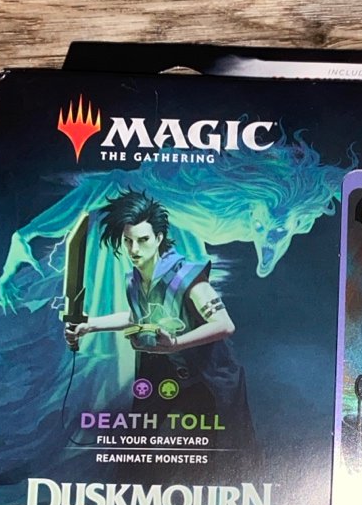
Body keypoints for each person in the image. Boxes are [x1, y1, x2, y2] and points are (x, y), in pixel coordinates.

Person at [64, 190, 254, 444]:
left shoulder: (186, 275)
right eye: (128, 241)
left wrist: (176, 343)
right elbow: (138, 317)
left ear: (158, 238)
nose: (134, 249)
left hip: (211, 379)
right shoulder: (134, 280)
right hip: (167, 378)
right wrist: (90, 325)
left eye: (143, 240)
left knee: (223, 455)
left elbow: (224, 324)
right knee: (142, 448)